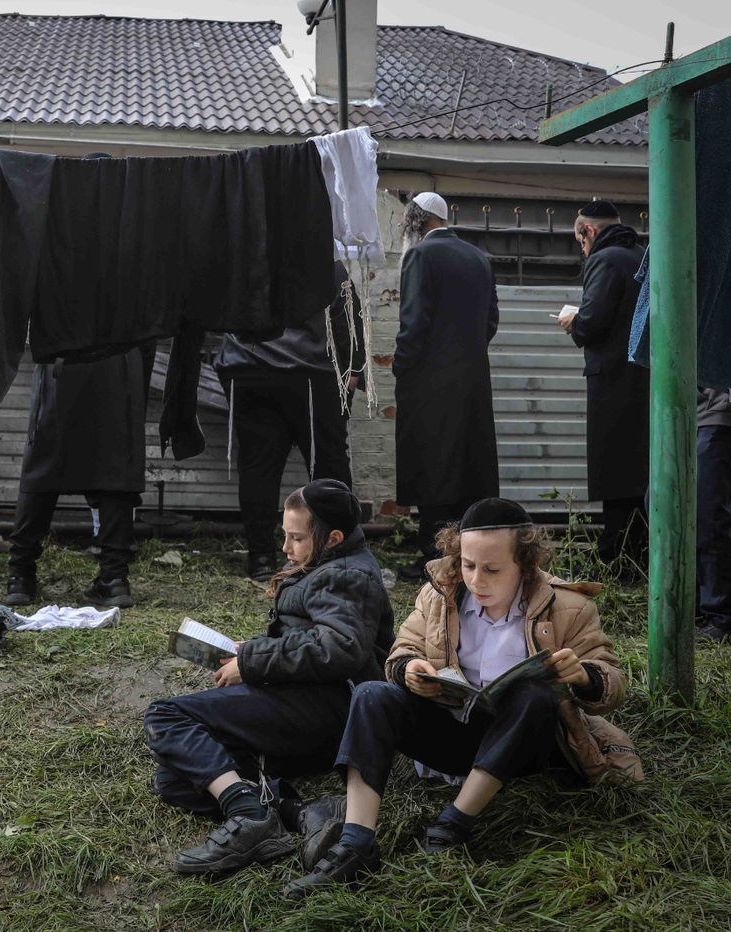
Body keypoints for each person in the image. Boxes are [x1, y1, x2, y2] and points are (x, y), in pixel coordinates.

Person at [284, 498, 636, 900]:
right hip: (453, 733)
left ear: (525, 562)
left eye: (492, 569)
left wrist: (584, 677)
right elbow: (403, 650)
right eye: (468, 565)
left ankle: (452, 823)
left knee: (536, 694)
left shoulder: (569, 606)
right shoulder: (437, 594)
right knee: (370, 695)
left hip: (524, 746)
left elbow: (611, 680)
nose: (476, 580)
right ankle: (356, 842)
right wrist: (410, 671)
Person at [143, 479, 394, 876]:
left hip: (329, 711)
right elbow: (308, 637)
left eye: (296, 538)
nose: (285, 548)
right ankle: (300, 812)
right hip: (303, 700)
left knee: (166, 717)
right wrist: (247, 649)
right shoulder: (326, 563)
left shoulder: (347, 575)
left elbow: (340, 649)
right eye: (284, 535)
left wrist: (252, 662)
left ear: (332, 537)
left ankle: (248, 815)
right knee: (176, 778)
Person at [215, 261, 365, 582]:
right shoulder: (328, 266)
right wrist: (352, 375)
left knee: (258, 469)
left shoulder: (245, 262)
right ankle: (335, 555)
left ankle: (261, 560)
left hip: (249, 372)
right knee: (328, 467)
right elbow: (347, 323)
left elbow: (218, 312)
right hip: (312, 376)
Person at [392, 192, 500, 581]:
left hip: (429, 385)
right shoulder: (478, 258)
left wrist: (402, 368)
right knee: (466, 470)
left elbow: (413, 322)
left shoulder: (420, 257)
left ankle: (433, 561)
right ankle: (468, 561)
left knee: (432, 467)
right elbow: (491, 321)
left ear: (417, 221)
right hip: (472, 382)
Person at [4, 344, 149, 609]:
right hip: (118, 357)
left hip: (62, 354)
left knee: (44, 463)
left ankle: (20, 576)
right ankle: (115, 578)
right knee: (114, 468)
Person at [562, 199, 649, 574]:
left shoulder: (604, 259)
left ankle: (616, 558)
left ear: (590, 231)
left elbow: (592, 324)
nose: (582, 249)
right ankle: (640, 554)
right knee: (638, 474)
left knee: (613, 472)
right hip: (643, 381)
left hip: (612, 382)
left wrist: (572, 320)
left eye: (580, 241)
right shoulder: (641, 255)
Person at [696, 387, 731, 642]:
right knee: (655, 501)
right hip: (688, 414)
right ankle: (696, 603)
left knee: (708, 514)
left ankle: (721, 616)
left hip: (719, 413)